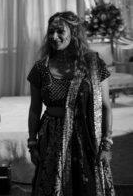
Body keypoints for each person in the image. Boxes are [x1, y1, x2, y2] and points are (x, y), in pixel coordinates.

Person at [27, 11, 115, 196]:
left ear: (74, 33)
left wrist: (106, 144)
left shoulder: (93, 64)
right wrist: (32, 144)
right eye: (51, 32)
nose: (54, 37)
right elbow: (35, 110)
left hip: (87, 137)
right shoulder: (40, 68)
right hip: (52, 139)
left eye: (60, 31)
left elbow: (106, 106)